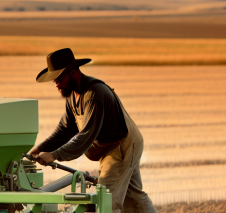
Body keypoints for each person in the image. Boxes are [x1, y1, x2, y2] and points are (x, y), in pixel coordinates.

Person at [28, 48, 157, 213]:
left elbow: (86, 137)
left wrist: (54, 155)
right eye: (54, 81)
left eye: (59, 79)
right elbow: (65, 130)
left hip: (120, 146)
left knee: (106, 200)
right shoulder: (73, 96)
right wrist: (39, 149)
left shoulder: (95, 95)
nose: (57, 84)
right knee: (133, 198)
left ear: (73, 72)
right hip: (113, 146)